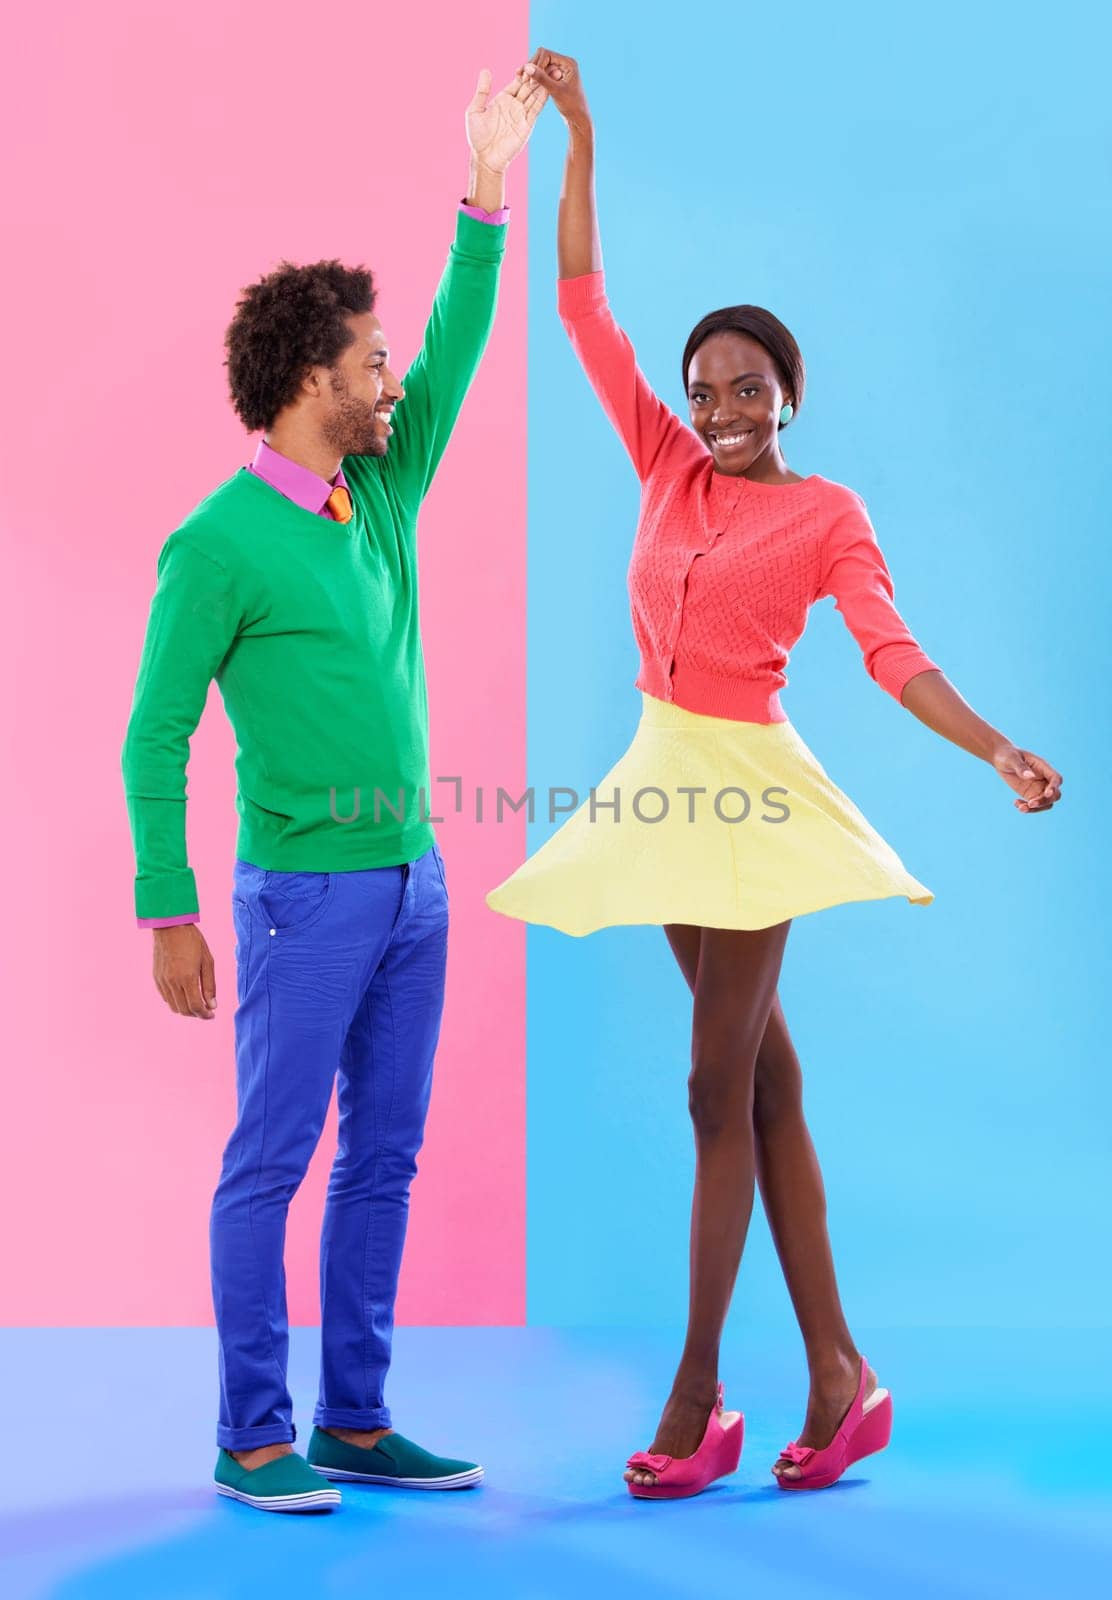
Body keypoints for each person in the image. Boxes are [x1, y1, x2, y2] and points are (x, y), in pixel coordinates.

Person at [486, 48, 1063, 1501]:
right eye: (705, 387)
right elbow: (577, 308)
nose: (721, 403)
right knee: (770, 1087)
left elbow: (890, 650)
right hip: (661, 781)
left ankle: (698, 1393)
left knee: (711, 1088)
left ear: (789, 394)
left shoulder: (827, 515)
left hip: (748, 794)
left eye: (746, 385)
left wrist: (993, 743)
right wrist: (581, 139)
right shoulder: (666, 467)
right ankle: (841, 1375)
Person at [120, 63, 546, 1514]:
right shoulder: (218, 544)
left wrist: (485, 188)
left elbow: (460, 338)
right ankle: (254, 1437)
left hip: (416, 881)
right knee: (273, 1161)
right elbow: (151, 738)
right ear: (312, 382)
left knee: (388, 1157)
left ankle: (356, 1419)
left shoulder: (381, 487)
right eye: (367, 364)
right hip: (300, 896)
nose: (390, 382)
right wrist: (171, 913)